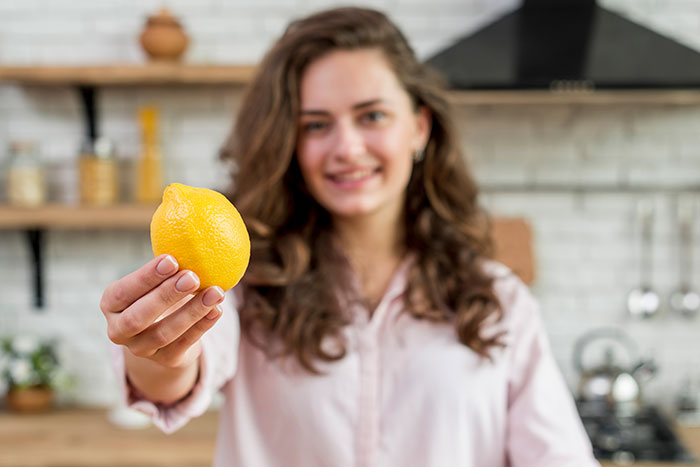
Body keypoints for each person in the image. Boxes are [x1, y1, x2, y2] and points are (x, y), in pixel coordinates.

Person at [101, 7, 599, 467]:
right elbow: (176, 375)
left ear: (419, 127)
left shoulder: (499, 300)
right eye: (317, 125)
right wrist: (159, 349)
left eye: (372, 116)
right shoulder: (249, 283)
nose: (347, 147)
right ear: (291, 144)